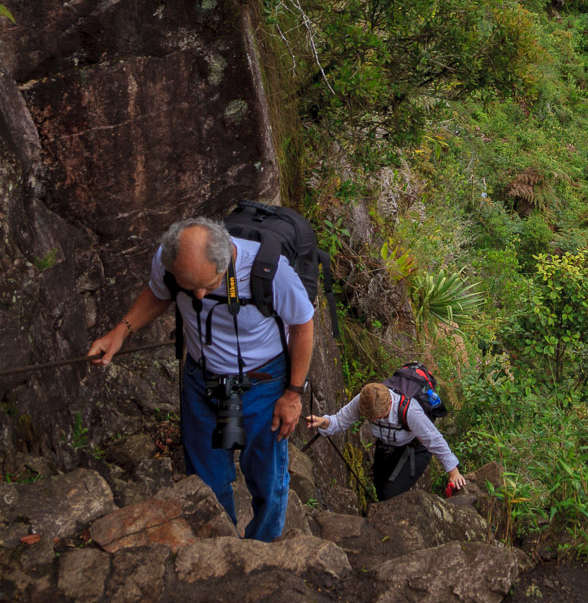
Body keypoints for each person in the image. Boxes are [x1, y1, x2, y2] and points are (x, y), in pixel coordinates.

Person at [88, 215, 315, 541]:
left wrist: (292, 395)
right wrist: (120, 333)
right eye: (188, 284)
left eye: (209, 286)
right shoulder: (169, 263)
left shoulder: (269, 272)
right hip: (201, 379)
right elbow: (158, 293)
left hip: (263, 384)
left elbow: (303, 326)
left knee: (267, 478)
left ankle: (263, 548)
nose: (196, 295)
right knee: (205, 478)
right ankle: (218, 544)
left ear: (228, 260)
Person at [309, 379, 466, 501]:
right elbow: (340, 421)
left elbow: (434, 439)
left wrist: (453, 472)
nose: (374, 419)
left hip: (414, 449)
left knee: (390, 494)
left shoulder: (410, 411)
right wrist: (323, 422)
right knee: (379, 489)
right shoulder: (364, 400)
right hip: (386, 447)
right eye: (370, 418)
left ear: (390, 403)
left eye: (380, 416)